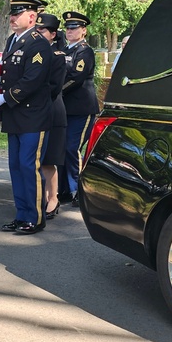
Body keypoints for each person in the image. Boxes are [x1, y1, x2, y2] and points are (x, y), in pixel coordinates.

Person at [0, 0, 53, 234]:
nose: (12, 18)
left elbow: (33, 79)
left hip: (32, 116)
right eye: (12, 13)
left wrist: (6, 97)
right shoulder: (11, 40)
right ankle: (21, 215)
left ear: (32, 16)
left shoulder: (38, 42)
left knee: (29, 166)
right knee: (16, 167)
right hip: (15, 115)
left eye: (17, 14)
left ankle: (36, 218)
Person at [59, 11, 99, 207]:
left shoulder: (84, 51)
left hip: (81, 108)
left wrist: (58, 91)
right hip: (67, 109)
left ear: (83, 31)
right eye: (67, 27)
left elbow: (76, 77)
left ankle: (79, 189)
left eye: (74, 28)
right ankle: (66, 189)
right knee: (63, 148)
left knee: (72, 149)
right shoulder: (65, 50)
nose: (69, 31)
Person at [36, 13, 67, 219]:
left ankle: (53, 199)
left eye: (42, 30)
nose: (38, 33)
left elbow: (54, 88)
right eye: (36, 29)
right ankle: (40, 198)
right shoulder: (31, 52)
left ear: (53, 34)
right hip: (34, 113)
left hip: (52, 112)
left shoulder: (57, 56)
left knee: (48, 160)